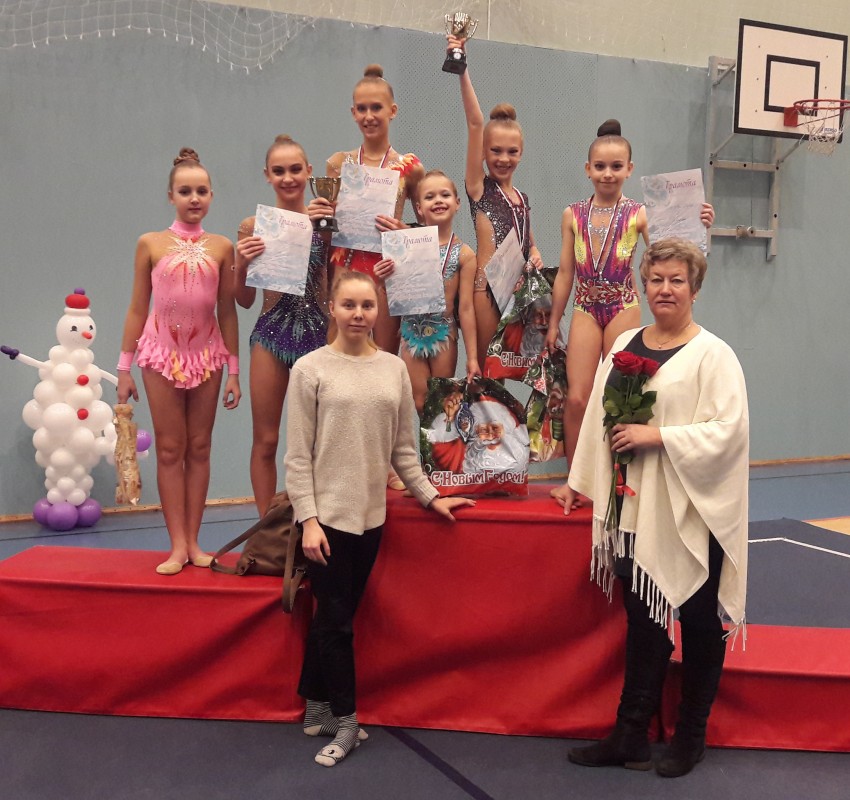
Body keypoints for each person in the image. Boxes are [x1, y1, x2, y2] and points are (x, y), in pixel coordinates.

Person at [557, 238, 749, 777]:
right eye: (657, 279)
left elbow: (729, 431)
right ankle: (631, 734)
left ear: (695, 289)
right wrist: (578, 481)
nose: (666, 289)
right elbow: (601, 417)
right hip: (634, 508)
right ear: (643, 284)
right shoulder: (625, 344)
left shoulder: (714, 355)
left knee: (698, 620)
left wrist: (659, 436)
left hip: (692, 513)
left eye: (677, 281)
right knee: (643, 621)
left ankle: (690, 735)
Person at [284, 270, 475, 768]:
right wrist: (308, 519)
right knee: (337, 624)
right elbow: (297, 456)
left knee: (336, 616)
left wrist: (431, 497)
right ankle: (346, 721)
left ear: (378, 311)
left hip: (371, 520)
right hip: (326, 522)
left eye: (367, 305)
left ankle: (316, 708)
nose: (358, 314)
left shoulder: (393, 369)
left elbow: (403, 450)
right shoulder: (309, 369)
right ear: (332, 308)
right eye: (348, 304)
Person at [545, 120, 714, 503]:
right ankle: (576, 482)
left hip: (622, 305)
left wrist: (699, 228)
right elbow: (566, 273)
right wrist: (555, 322)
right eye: (600, 166)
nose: (608, 173)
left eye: (616, 166)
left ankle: (615, 478)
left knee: (619, 397)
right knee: (577, 399)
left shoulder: (639, 214)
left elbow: (674, 257)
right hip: (586, 307)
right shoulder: (573, 214)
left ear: (629, 169)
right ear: (587, 169)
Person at [117, 148, 241, 575]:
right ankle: (176, 545)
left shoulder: (222, 247)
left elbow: (228, 310)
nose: (194, 198)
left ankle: (194, 540)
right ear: (171, 196)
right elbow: (138, 306)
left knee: (200, 446)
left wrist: (234, 371)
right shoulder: (150, 243)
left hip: (207, 355)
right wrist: (123, 367)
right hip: (159, 354)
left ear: (211, 196)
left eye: (201, 191)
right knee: (170, 448)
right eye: (185, 191)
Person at [234, 134, 333, 516]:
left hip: (318, 334)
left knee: (319, 441)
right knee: (266, 439)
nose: (288, 178)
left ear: (309, 172)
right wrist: (242, 264)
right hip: (271, 334)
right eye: (279, 171)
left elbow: (335, 283)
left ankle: (319, 520)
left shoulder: (324, 222)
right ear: (267, 175)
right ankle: (265, 528)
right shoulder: (253, 226)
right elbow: (243, 299)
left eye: (295, 169)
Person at [448, 34, 544, 367]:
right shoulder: (479, 188)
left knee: (518, 370)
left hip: (517, 288)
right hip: (486, 289)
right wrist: (462, 69)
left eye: (512, 151)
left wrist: (535, 253)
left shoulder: (522, 198)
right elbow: (475, 123)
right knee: (488, 370)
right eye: (495, 151)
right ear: (483, 152)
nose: (503, 158)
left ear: (522, 152)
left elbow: (529, 240)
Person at [325, 63, 425, 356]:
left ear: (392, 111)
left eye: (376, 108)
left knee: (383, 358)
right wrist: (323, 216)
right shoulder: (338, 164)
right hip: (345, 267)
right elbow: (326, 230)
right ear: (353, 112)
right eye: (362, 108)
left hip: (387, 272)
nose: (368, 116)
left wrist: (404, 231)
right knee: (338, 357)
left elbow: (428, 230)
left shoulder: (410, 168)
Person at [373, 169, 479, 414]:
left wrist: (472, 357)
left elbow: (466, 308)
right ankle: (422, 441)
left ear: (457, 203)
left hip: (444, 334)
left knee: (441, 404)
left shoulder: (465, 254)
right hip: (411, 333)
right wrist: (381, 279)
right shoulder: (404, 245)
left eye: (445, 195)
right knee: (420, 403)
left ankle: (439, 440)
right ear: (419, 208)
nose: (438, 201)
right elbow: (390, 295)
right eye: (430, 197)